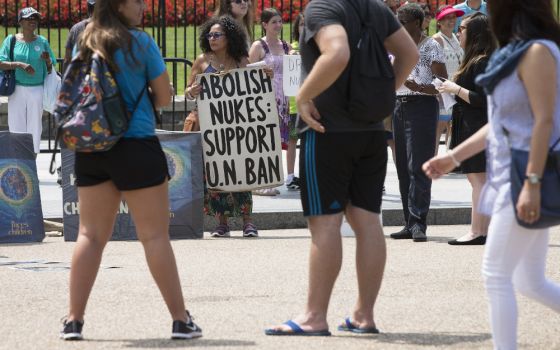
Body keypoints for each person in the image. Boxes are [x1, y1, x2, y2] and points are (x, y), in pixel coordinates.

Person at [265, 0, 418, 336]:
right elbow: (410, 54)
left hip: (327, 130)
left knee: (325, 225)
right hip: (370, 129)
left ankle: (313, 317)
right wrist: (379, 93)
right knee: (367, 222)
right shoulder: (374, 8)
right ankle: (364, 315)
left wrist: (304, 95)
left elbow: (337, 53)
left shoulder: (322, 8)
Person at [59, 0, 202, 341]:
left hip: (92, 146)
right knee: (154, 236)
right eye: (137, 1)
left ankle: (73, 321)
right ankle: (180, 320)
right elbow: (166, 96)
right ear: (120, 5)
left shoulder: (85, 39)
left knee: (90, 236)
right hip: (136, 144)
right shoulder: (140, 42)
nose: (142, 6)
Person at [423, 0, 560, 348]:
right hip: (509, 174)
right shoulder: (517, 52)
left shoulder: (539, 52)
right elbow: (501, 121)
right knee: (529, 281)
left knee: (496, 274)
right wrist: (452, 156)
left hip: (523, 174)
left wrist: (531, 183)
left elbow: (544, 121)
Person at [186, 15, 259, 238]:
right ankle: (222, 223)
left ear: (229, 38)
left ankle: (248, 222)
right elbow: (188, 91)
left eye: (217, 35)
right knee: (216, 174)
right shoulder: (202, 61)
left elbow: (254, 87)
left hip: (236, 126)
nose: (212, 38)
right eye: (210, 35)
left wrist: (263, 75)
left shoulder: (240, 60)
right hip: (210, 127)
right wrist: (193, 91)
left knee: (241, 172)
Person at [389, 3, 447, 242]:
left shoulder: (431, 46)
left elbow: (443, 81)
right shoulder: (395, 46)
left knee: (418, 166)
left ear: (416, 22)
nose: (398, 26)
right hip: (398, 105)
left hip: (421, 105)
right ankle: (408, 221)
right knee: (403, 165)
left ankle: (418, 223)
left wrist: (421, 88)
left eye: (402, 22)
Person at [436, 12, 494, 245]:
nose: (459, 31)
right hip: (471, 124)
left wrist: (453, 88)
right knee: (478, 180)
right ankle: (482, 230)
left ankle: (477, 231)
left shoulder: (481, 61)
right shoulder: (475, 58)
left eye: (463, 29)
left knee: (478, 179)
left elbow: (483, 99)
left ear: (475, 34)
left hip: (477, 126)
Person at [249, 8, 294, 195]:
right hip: (264, 97)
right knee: (264, 140)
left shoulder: (286, 46)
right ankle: (260, 182)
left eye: (280, 21)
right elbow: (246, 70)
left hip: (283, 100)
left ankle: (270, 180)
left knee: (276, 141)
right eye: (274, 21)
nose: (278, 25)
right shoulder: (258, 46)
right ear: (264, 24)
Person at [0, 7, 57, 155]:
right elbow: (1, 63)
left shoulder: (42, 41)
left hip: (36, 89)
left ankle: (31, 162)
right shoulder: (11, 40)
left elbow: (51, 68)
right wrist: (19, 64)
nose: (33, 21)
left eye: (35, 18)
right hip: (16, 89)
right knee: (16, 126)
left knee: (35, 127)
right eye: (29, 18)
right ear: (21, 21)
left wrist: (47, 61)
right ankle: (18, 161)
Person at [432, 5, 464, 154]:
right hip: (443, 89)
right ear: (439, 21)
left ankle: (448, 160)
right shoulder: (437, 39)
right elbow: (431, 67)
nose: (452, 21)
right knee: (440, 126)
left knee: (452, 125)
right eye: (447, 18)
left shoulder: (456, 38)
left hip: (455, 88)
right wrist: (438, 91)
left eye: (453, 17)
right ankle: (432, 159)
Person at [63, 0, 96, 72]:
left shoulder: (75, 28)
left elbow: (67, 59)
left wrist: (64, 79)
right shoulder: (110, 30)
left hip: (79, 76)